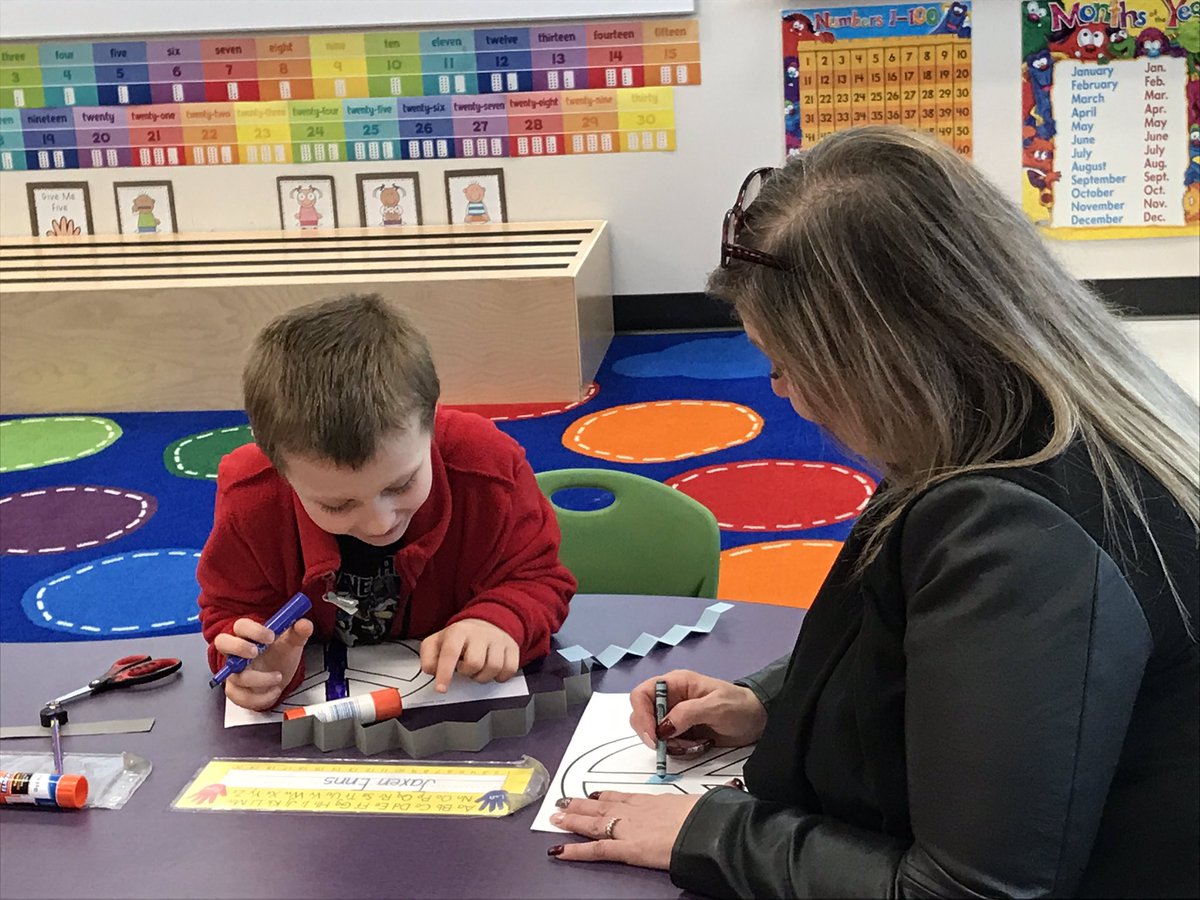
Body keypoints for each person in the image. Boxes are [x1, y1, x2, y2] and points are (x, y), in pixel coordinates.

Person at [546, 127, 1200, 897]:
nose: (784, 394)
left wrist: (708, 833)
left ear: (877, 362)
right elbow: (949, 660)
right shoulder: (1044, 421)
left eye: (784, 366)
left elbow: (968, 890)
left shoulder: (1016, 537)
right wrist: (773, 703)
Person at [198, 294, 575, 711]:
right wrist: (255, 664)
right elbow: (231, 611)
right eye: (338, 505)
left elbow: (538, 577)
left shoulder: (488, 468)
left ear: (430, 419)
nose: (379, 523)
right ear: (280, 468)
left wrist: (501, 619)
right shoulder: (252, 498)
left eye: (401, 484)